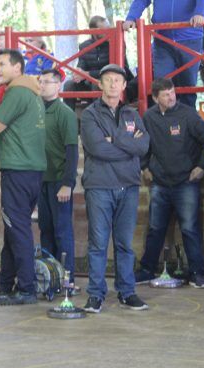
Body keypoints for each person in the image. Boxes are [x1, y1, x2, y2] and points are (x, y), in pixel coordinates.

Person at [80, 64, 150, 313]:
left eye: (117, 80)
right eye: (107, 80)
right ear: (100, 84)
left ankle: (127, 292)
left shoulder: (131, 114)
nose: (112, 84)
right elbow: (98, 148)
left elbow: (144, 147)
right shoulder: (90, 114)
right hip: (99, 186)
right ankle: (95, 295)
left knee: (124, 244)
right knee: (98, 244)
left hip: (128, 187)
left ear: (123, 86)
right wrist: (128, 144)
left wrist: (116, 140)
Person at [135, 78, 204, 288]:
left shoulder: (188, 114)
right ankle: (146, 270)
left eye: (172, 92)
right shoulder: (149, 117)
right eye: (166, 94)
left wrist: (201, 166)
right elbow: (142, 145)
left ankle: (198, 273)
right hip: (160, 183)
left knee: (190, 228)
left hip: (186, 182)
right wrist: (145, 167)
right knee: (155, 228)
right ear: (155, 98)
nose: (171, 97)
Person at [0, 49, 46, 306]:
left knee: (17, 229)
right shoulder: (31, 92)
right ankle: (5, 285)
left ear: (18, 68)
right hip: (31, 171)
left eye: (2, 64)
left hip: (18, 171)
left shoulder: (18, 93)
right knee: (14, 228)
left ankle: (27, 288)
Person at [37, 68, 80, 295]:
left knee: (62, 231)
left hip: (59, 182)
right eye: (40, 81)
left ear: (58, 85)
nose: (42, 85)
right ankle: (48, 277)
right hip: (40, 181)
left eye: (48, 82)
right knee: (45, 230)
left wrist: (68, 183)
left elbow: (72, 151)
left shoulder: (65, 113)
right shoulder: (35, 110)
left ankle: (67, 280)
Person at [123, 0, 204, 107]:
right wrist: (131, 17)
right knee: (161, 85)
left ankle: (188, 120)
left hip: (190, 38)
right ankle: (163, 120)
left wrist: (201, 13)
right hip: (162, 40)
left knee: (188, 86)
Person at [63, 15, 135, 110]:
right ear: (94, 31)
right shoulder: (84, 46)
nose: (108, 30)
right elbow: (82, 66)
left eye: (108, 28)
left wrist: (87, 74)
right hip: (90, 82)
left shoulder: (116, 43)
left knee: (97, 84)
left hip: (111, 81)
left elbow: (115, 68)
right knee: (69, 85)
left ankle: (99, 118)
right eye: (104, 29)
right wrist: (78, 74)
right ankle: (69, 118)